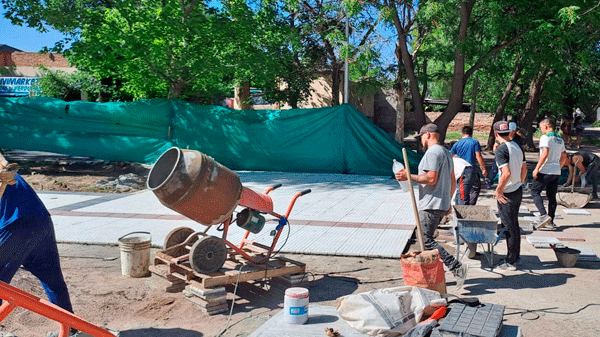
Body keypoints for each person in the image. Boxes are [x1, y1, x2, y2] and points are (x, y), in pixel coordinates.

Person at [0, 153, 78, 337]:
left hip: (15, 225)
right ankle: (71, 329)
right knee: (52, 279)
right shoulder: (4, 169)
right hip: (40, 220)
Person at [396, 123, 468, 288]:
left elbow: (430, 179)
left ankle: (457, 267)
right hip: (439, 202)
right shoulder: (445, 152)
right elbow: (452, 180)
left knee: (426, 240)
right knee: (423, 239)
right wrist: (448, 201)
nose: (420, 141)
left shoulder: (433, 152)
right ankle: (430, 276)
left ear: (427, 135)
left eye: (421, 137)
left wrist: (409, 176)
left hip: (431, 203)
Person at [492, 121, 528, 270]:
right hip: (517, 189)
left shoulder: (501, 149)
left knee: (508, 226)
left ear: (495, 134)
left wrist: (499, 190)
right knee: (514, 225)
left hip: (507, 193)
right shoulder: (517, 147)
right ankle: (515, 256)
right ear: (510, 132)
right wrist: (519, 182)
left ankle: (511, 260)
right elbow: (524, 169)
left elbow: (506, 173)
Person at [530, 118, 567, 229]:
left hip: (545, 170)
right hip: (556, 171)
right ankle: (551, 221)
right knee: (551, 196)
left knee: (534, 191)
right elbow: (564, 157)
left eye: (541, 128)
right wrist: (558, 167)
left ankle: (543, 215)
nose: (541, 130)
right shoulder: (560, 140)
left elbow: (545, 153)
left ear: (546, 127)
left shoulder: (545, 137)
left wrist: (537, 168)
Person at [450, 126, 488, 204]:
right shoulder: (474, 142)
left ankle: (466, 207)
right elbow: (478, 156)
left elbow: (450, 156)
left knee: (463, 192)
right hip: (473, 170)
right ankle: (469, 206)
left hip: (462, 172)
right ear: (471, 133)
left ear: (462, 133)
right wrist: (483, 169)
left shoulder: (457, 144)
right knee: (475, 188)